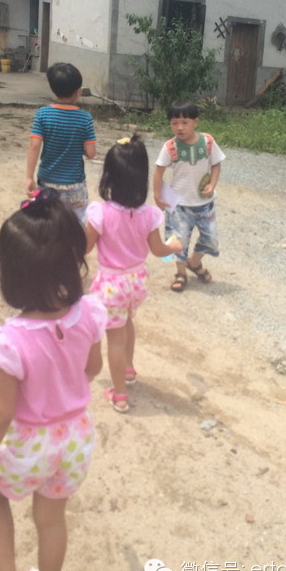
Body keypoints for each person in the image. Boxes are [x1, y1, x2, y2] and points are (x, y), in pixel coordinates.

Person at [0, 189, 106, 571]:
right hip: (75, 438)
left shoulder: (10, 341)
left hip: (31, 444)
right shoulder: (89, 313)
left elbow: (0, 414)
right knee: (51, 519)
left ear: (11, 274)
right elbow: (92, 369)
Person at [85, 134, 182, 413]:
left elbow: (85, 247)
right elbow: (158, 250)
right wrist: (174, 246)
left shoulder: (101, 213)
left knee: (115, 338)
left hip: (111, 285)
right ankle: (127, 369)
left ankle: (119, 395)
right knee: (127, 322)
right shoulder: (148, 214)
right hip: (137, 282)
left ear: (109, 178)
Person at [153, 100, 226, 293]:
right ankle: (180, 274)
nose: (180, 127)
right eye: (174, 123)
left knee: (211, 238)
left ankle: (193, 263)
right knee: (178, 241)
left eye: (185, 122)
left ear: (196, 122)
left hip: (205, 203)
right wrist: (157, 196)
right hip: (178, 204)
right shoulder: (170, 147)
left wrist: (212, 184)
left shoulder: (208, 142)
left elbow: (216, 164)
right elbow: (159, 171)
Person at [26, 62, 96, 222]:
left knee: (48, 223)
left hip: (47, 183)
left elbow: (34, 146)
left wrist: (29, 177)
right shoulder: (85, 118)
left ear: (53, 89)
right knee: (75, 225)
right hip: (74, 184)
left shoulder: (42, 114)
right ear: (78, 92)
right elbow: (91, 153)